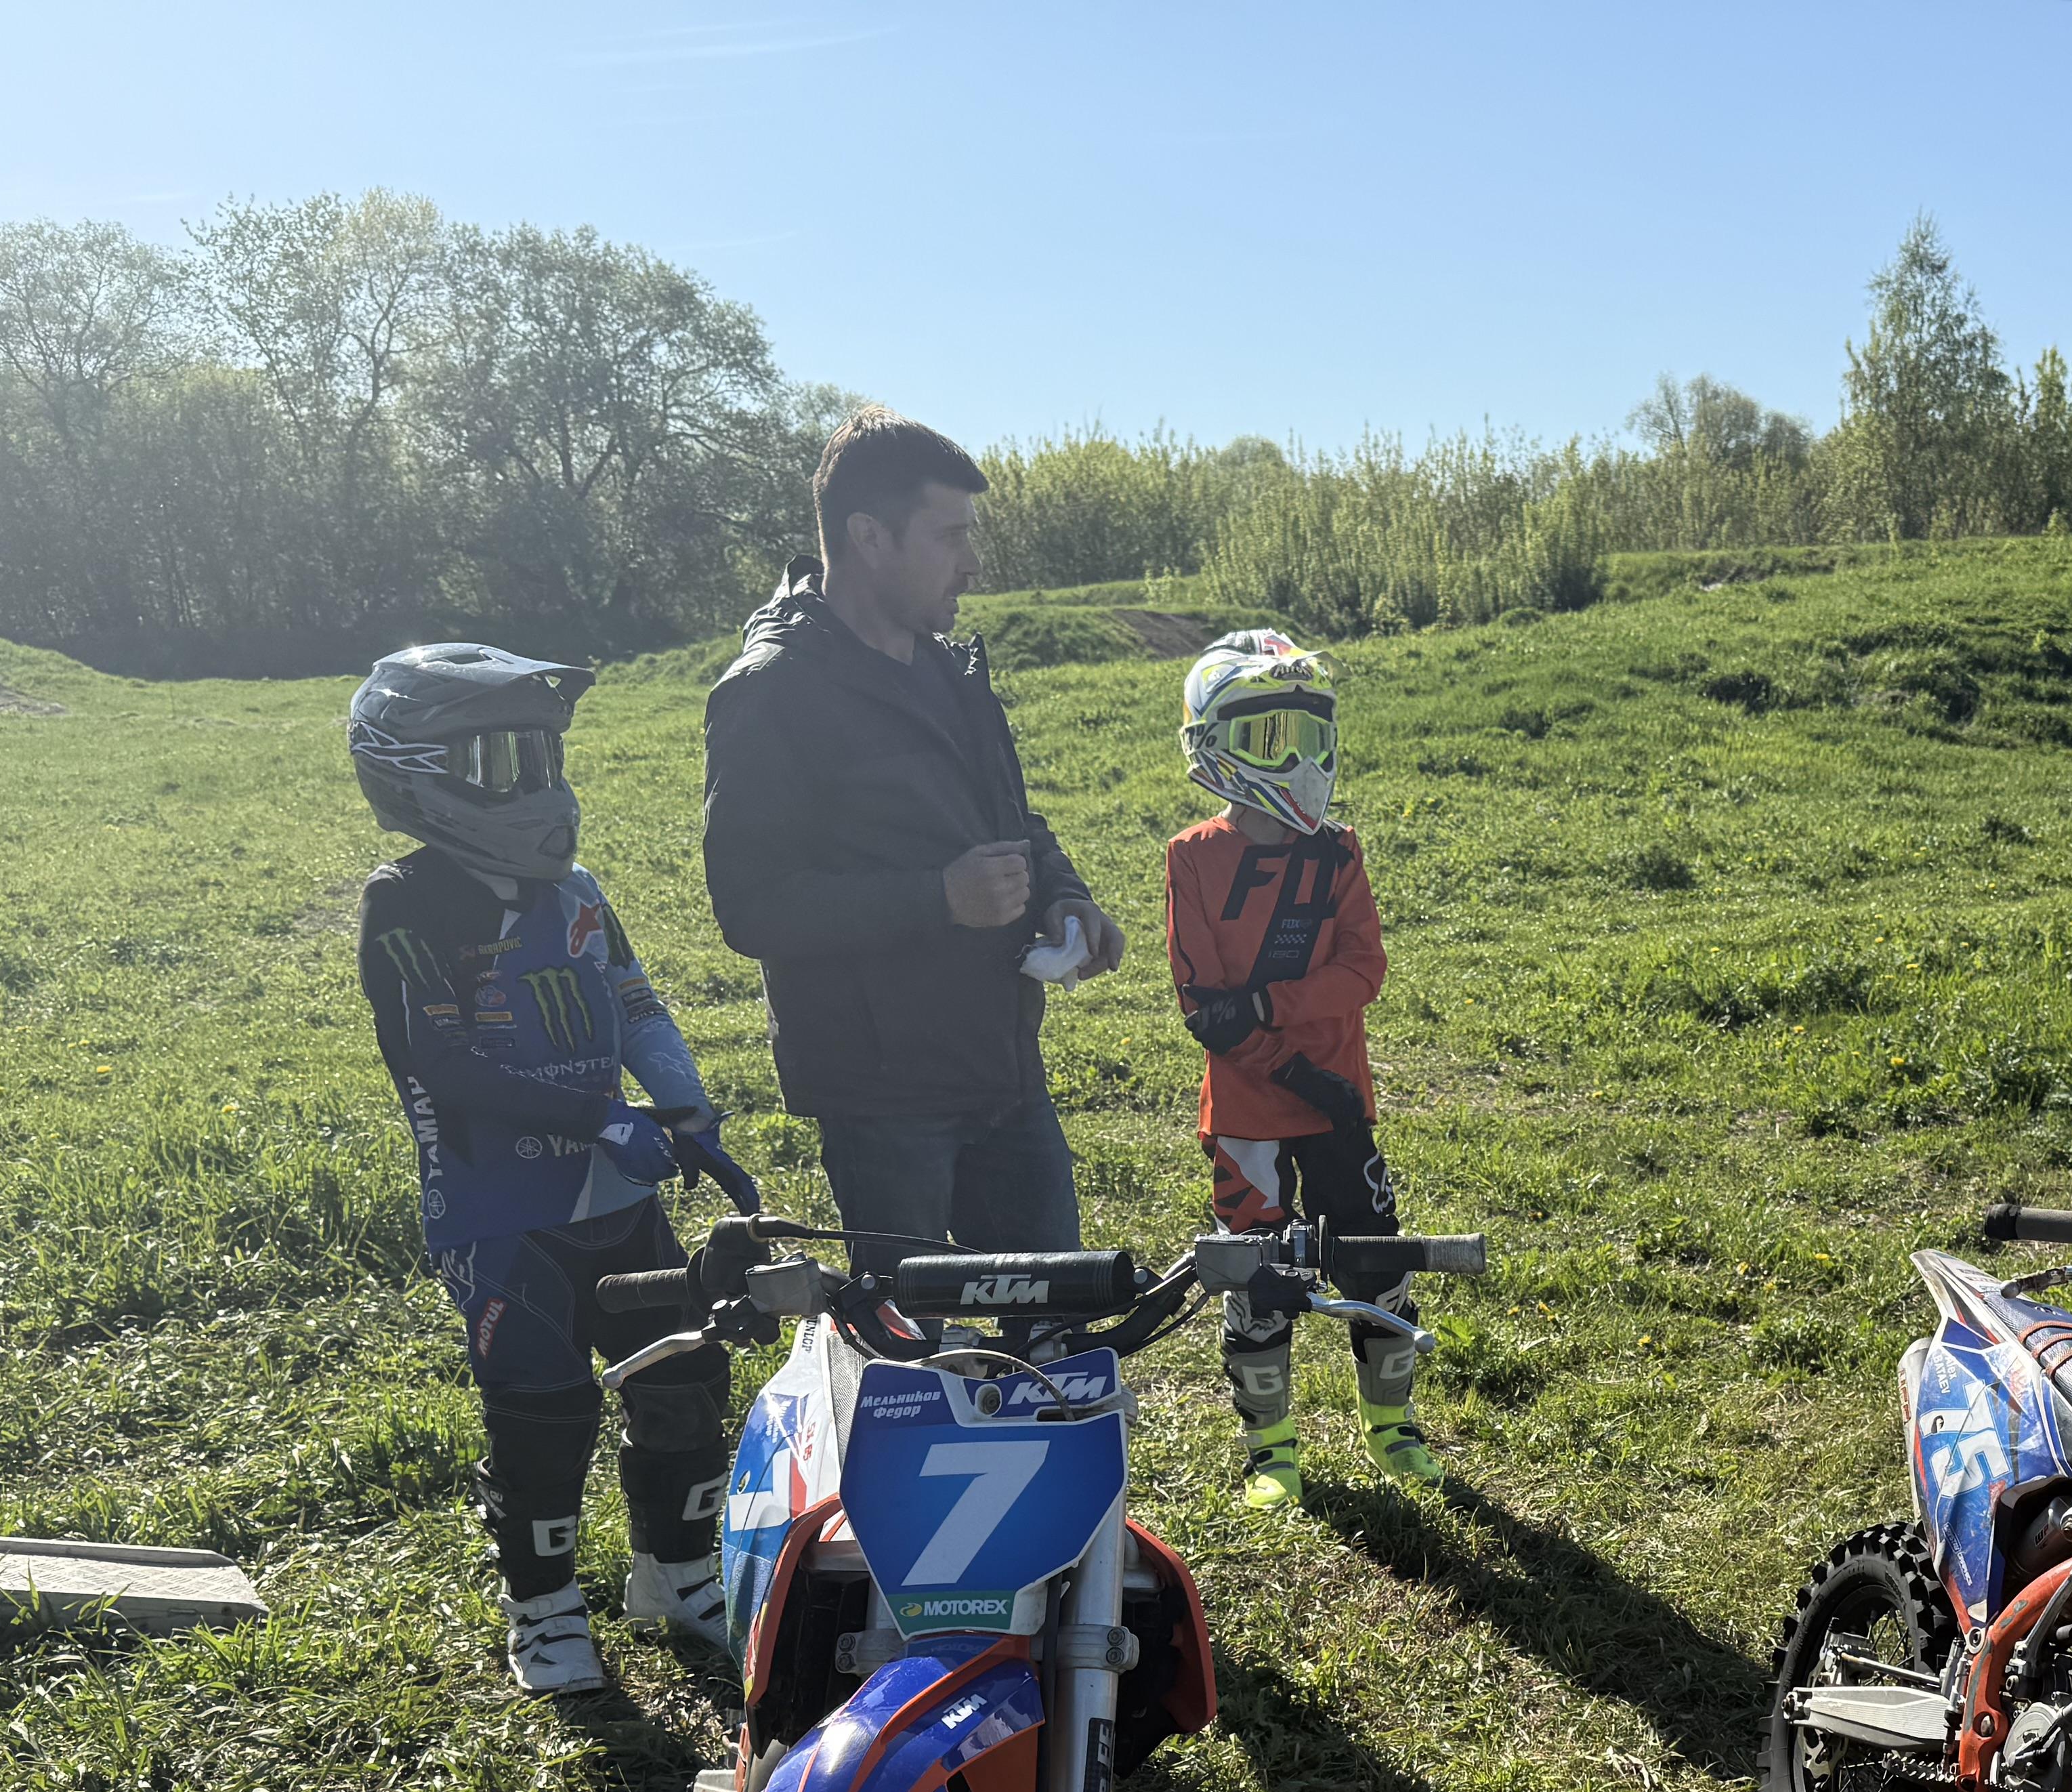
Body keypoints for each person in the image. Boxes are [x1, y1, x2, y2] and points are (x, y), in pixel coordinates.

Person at [350, 642, 735, 1695]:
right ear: (415, 777)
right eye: (504, 762)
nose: (542, 787)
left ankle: (678, 1576)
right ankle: (545, 1611)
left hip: (619, 1196)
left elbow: (636, 1003)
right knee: (543, 1410)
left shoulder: (579, 891)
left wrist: (686, 1106)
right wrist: (600, 1117)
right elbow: (443, 1064)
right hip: (500, 1213)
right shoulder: (403, 904)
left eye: (546, 756)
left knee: (685, 1378)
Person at [700, 410, 1123, 1270]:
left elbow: (1011, 821)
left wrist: (1062, 895)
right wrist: (939, 898)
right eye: (950, 535)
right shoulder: (771, 693)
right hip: (884, 1100)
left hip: (1002, 1068)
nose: (972, 563)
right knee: (906, 1336)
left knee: (1057, 1315)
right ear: (869, 536)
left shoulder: (949, 668)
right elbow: (753, 906)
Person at [1162, 629, 1440, 1507]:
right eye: (1269, 737)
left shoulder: (1339, 850)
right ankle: (1270, 1452)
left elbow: (1365, 971)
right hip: (1247, 1112)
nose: (1299, 761)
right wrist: (1282, 1050)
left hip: (1339, 1105)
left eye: (1310, 735)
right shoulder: (1192, 857)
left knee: (1376, 1261)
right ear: (1215, 745)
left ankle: (1393, 1428)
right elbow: (1206, 1009)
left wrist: (1268, 1006)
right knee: (1258, 1276)